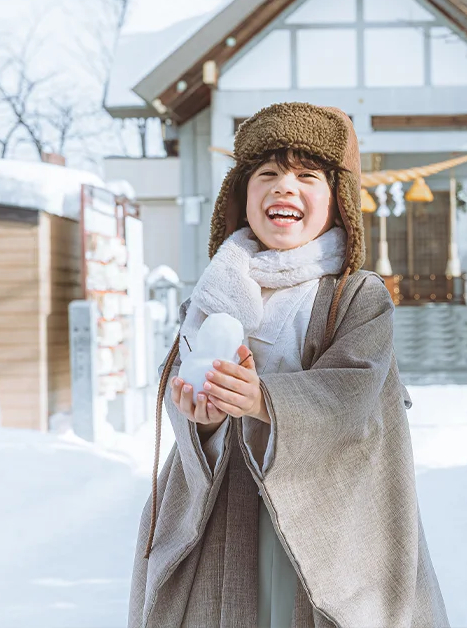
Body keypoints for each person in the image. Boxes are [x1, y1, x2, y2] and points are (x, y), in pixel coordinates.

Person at [128, 102, 449, 628]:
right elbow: (187, 400)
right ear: (242, 196)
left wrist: (261, 400)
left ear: (337, 201)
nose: (284, 187)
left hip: (322, 518)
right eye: (267, 174)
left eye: (307, 176)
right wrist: (203, 416)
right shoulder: (211, 296)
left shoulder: (356, 297)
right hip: (226, 511)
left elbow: (352, 396)